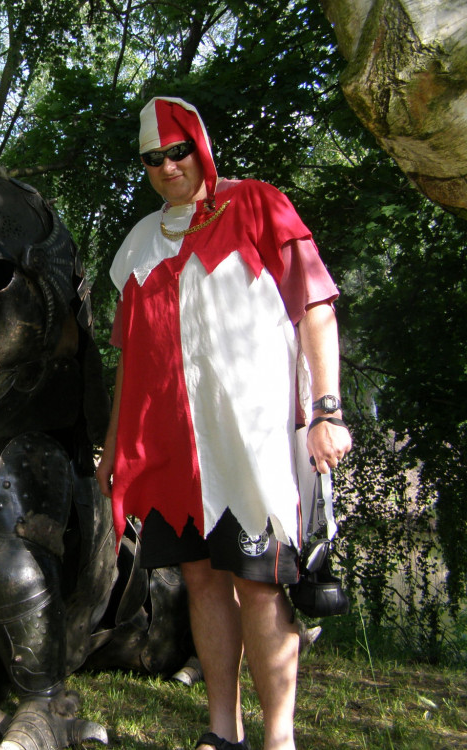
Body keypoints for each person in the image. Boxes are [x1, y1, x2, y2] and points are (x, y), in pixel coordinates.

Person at [96, 97, 352, 750]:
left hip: (250, 443)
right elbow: (130, 358)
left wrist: (327, 410)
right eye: (153, 158)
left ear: (201, 146)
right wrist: (113, 448)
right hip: (173, 452)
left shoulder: (258, 205)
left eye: (178, 151)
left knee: (260, 584)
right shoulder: (139, 245)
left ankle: (278, 739)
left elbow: (317, 306)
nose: (167, 166)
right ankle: (222, 731)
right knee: (201, 581)